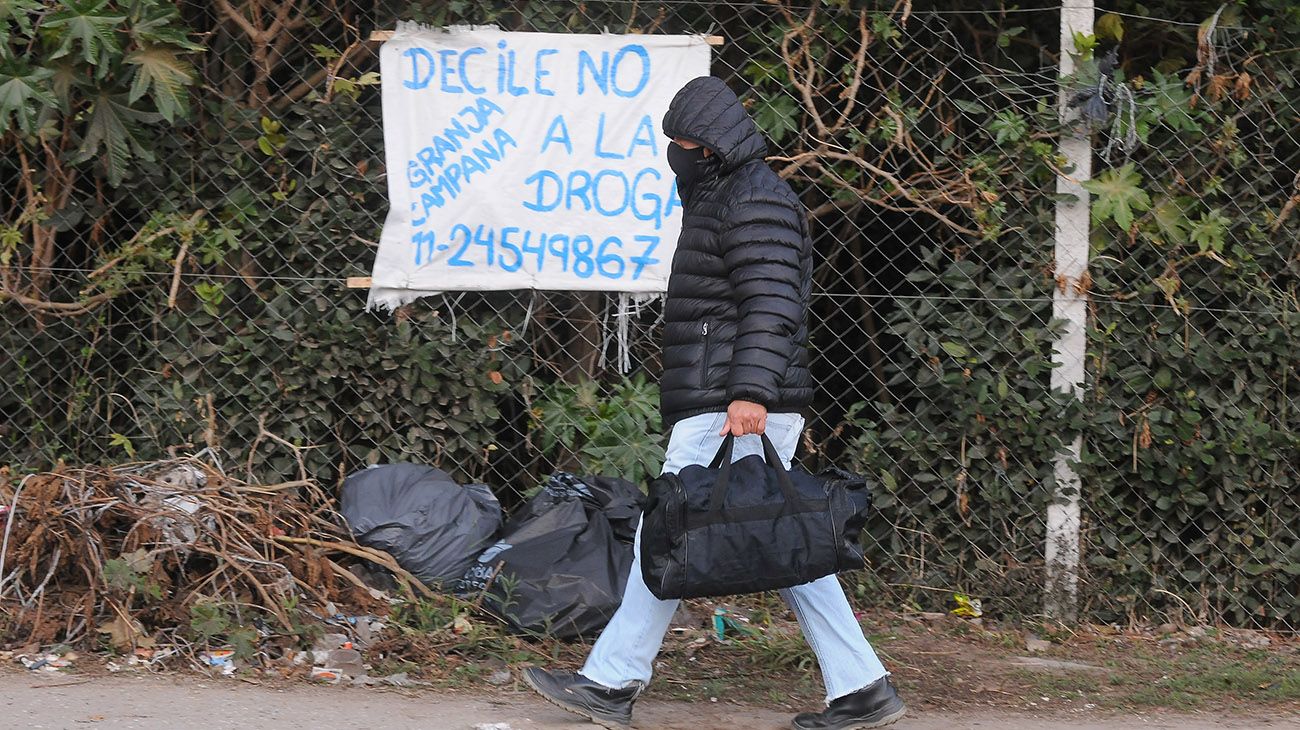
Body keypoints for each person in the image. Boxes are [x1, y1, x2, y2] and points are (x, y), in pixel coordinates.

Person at [524, 76, 906, 730]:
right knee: (782, 539)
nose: (674, 152)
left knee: (671, 527)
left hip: (735, 398)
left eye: (681, 142)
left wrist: (750, 394)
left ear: (708, 142)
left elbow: (773, 303)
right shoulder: (724, 194)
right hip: (726, 392)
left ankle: (611, 683)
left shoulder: (755, 200)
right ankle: (863, 688)